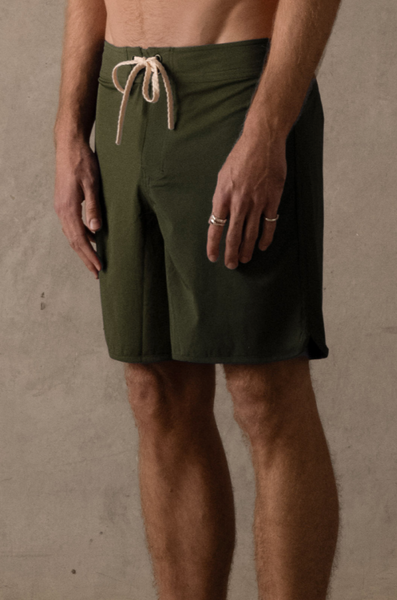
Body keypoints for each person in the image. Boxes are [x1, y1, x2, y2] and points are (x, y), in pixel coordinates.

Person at [54, 0, 342, 597]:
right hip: (123, 95)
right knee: (155, 391)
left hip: (235, 89)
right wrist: (68, 128)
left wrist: (268, 127)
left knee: (263, 391)